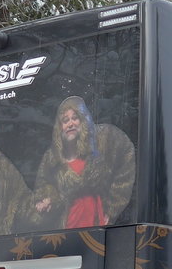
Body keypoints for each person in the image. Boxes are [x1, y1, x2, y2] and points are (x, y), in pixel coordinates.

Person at [31, 96, 135, 229]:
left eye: (75, 118)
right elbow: (43, 186)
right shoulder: (52, 158)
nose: (70, 124)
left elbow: (125, 156)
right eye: (65, 120)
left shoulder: (104, 142)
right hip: (67, 229)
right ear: (60, 127)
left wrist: (112, 207)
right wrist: (47, 199)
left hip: (98, 229)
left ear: (83, 120)